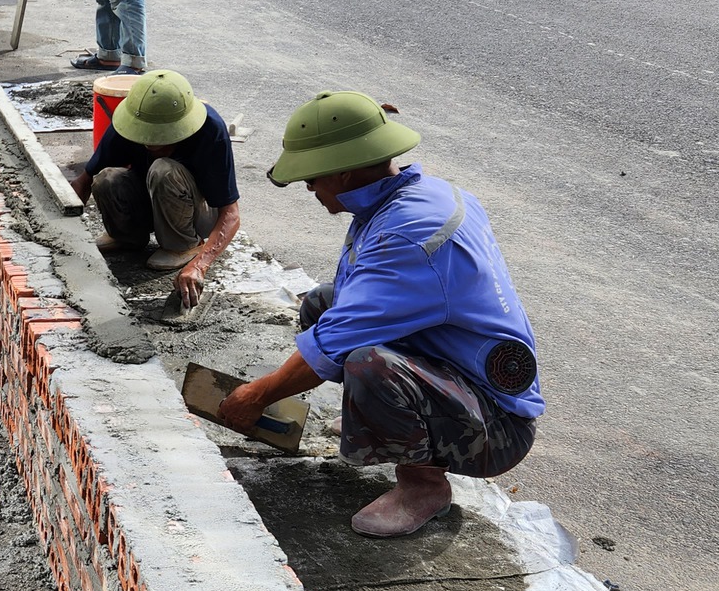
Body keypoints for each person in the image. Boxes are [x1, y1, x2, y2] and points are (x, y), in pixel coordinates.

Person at [217, 92, 543, 538]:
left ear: (345, 171)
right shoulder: (410, 197)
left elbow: (334, 342)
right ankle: (380, 419)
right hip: (456, 368)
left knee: (368, 364)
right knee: (322, 303)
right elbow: (346, 313)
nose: (311, 191)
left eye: (313, 180)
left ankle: (422, 486)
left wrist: (256, 396)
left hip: (494, 426)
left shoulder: (414, 238)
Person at [71, 69, 239, 306]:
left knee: (163, 170)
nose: (152, 144)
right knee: (107, 178)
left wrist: (200, 264)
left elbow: (230, 214)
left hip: (196, 212)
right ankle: (127, 237)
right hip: (151, 198)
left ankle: (181, 246)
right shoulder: (129, 121)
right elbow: (84, 180)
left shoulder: (210, 130)